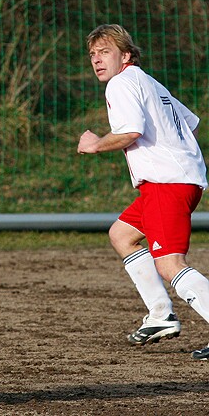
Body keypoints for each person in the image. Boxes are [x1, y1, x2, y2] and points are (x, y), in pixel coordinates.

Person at [78, 24, 209, 361]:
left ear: (126, 56)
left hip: (167, 184)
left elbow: (131, 131)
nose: (96, 60)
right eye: (92, 54)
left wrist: (95, 144)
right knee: (122, 235)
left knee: (170, 264)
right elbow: (191, 123)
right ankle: (161, 314)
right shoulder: (149, 82)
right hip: (176, 181)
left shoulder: (121, 83)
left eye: (105, 52)